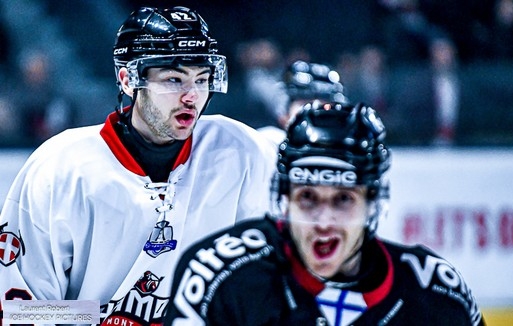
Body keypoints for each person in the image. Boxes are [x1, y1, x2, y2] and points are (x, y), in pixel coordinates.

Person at [0, 6, 276, 325]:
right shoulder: (60, 169)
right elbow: (19, 310)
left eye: (202, 79)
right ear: (127, 79)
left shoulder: (242, 153)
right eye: (174, 79)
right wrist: (102, 318)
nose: (192, 96)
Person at [165, 101, 485, 325]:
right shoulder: (220, 277)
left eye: (343, 200)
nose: (323, 222)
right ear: (284, 198)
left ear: (373, 201)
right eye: (308, 198)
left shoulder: (436, 294)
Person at [258, 60, 347, 146]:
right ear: (284, 115)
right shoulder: (267, 143)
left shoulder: (350, 146)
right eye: (306, 104)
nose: (315, 111)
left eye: (325, 106)